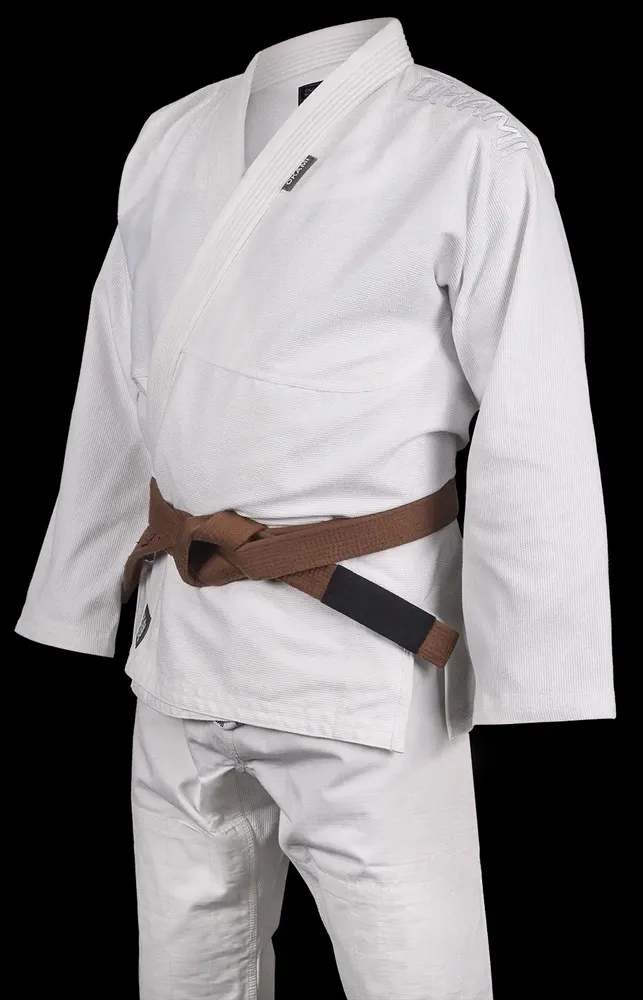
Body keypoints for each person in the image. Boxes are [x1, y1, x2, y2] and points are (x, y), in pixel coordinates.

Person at [14, 16, 615, 1000]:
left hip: (366, 661)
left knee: (416, 978)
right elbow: (117, 389)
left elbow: (534, 418)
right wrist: (78, 597)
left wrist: (536, 665)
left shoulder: (469, 144)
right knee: (184, 973)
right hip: (180, 653)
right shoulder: (172, 134)